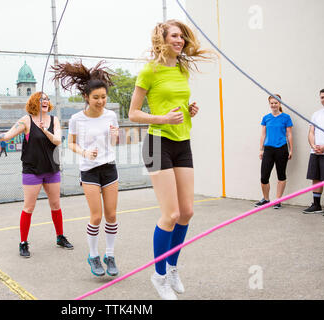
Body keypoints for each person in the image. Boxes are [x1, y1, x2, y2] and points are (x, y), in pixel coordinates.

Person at [128, 20, 211, 299]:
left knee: (187, 212)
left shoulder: (182, 68)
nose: (180, 41)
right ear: (162, 39)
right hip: (155, 143)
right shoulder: (149, 71)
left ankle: (173, 269)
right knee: (171, 214)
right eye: (175, 36)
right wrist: (162, 118)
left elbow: (175, 103)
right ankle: (159, 275)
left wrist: (189, 109)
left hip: (181, 142)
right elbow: (133, 114)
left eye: (182, 37)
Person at [0, 91, 74, 258]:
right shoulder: (26, 120)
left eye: (47, 99)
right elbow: (7, 136)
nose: (45, 101)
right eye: (41, 99)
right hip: (32, 170)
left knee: (56, 205)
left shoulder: (54, 120)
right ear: (35, 102)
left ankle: (60, 237)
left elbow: (57, 140)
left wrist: (45, 130)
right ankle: (23, 243)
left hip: (51, 169)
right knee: (29, 207)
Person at [52, 60, 120, 277]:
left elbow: (114, 142)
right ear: (86, 98)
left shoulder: (111, 116)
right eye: (96, 97)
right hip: (89, 171)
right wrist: (84, 153)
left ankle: (109, 255)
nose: (101, 101)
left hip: (109, 168)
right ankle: (93, 255)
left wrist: (115, 136)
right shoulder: (76, 119)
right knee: (97, 216)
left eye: (103, 97)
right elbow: (70, 143)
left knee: (111, 214)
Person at [255, 94, 293, 209]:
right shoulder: (266, 118)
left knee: (281, 175)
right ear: (269, 104)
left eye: (276, 102)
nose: (273, 105)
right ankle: (266, 199)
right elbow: (263, 134)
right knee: (264, 177)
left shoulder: (286, 117)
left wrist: (291, 149)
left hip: (281, 149)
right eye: (271, 103)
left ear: (280, 103)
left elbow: (289, 134)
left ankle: (278, 200)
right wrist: (261, 149)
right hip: (268, 149)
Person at [302, 88, 324, 216]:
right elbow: (311, 132)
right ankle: (316, 204)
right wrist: (314, 145)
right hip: (315, 152)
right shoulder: (316, 114)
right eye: (322, 97)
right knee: (315, 177)